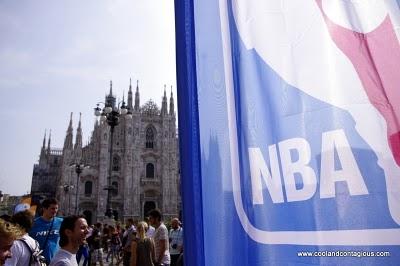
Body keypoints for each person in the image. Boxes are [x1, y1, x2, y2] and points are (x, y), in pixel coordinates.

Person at [29, 198, 63, 264]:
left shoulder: (61, 222)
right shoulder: (33, 224)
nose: (55, 211)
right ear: (44, 209)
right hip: (38, 262)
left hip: (56, 261)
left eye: (56, 208)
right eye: (52, 208)